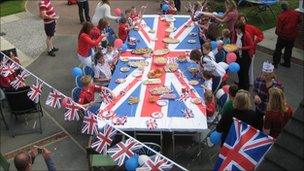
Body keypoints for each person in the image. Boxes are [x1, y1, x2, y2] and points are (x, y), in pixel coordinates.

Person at [253, 61, 283, 129]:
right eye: (263, 74)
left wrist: (269, 87)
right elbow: (254, 90)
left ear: (271, 75)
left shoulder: (277, 85)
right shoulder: (258, 80)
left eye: (266, 75)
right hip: (258, 109)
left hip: (269, 112)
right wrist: (255, 96)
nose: (264, 77)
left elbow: (277, 99)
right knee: (256, 127)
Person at [272, 3, 301, 68]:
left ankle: (275, 63)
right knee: (288, 50)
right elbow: (299, 21)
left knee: (278, 50)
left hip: (283, 37)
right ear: (288, 7)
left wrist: (277, 33)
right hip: (292, 36)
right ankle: (287, 63)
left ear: (282, 9)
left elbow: (279, 28)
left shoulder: (281, 16)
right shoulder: (296, 14)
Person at [238, 13, 264, 86]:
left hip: (250, 52)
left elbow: (260, 35)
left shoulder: (251, 27)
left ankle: (250, 82)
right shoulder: (237, 28)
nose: (242, 21)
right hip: (240, 52)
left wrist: (256, 40)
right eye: (240, 20)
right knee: (242, 68)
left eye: (243, 19)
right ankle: (243, 82)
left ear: (245, 20)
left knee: (249, 68)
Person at [232, 20, 254, 91]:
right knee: (239, 72)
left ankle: (246, 89)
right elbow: (233, 42)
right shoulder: (235, 34)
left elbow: (251, 46)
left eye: (238, 29)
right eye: (236, 28)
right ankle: (240, 86)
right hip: (238, 55)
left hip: (246, 56)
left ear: (242, 29)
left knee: (244, 73)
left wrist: (241, 48)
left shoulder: (246, 35)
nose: (237, 30)